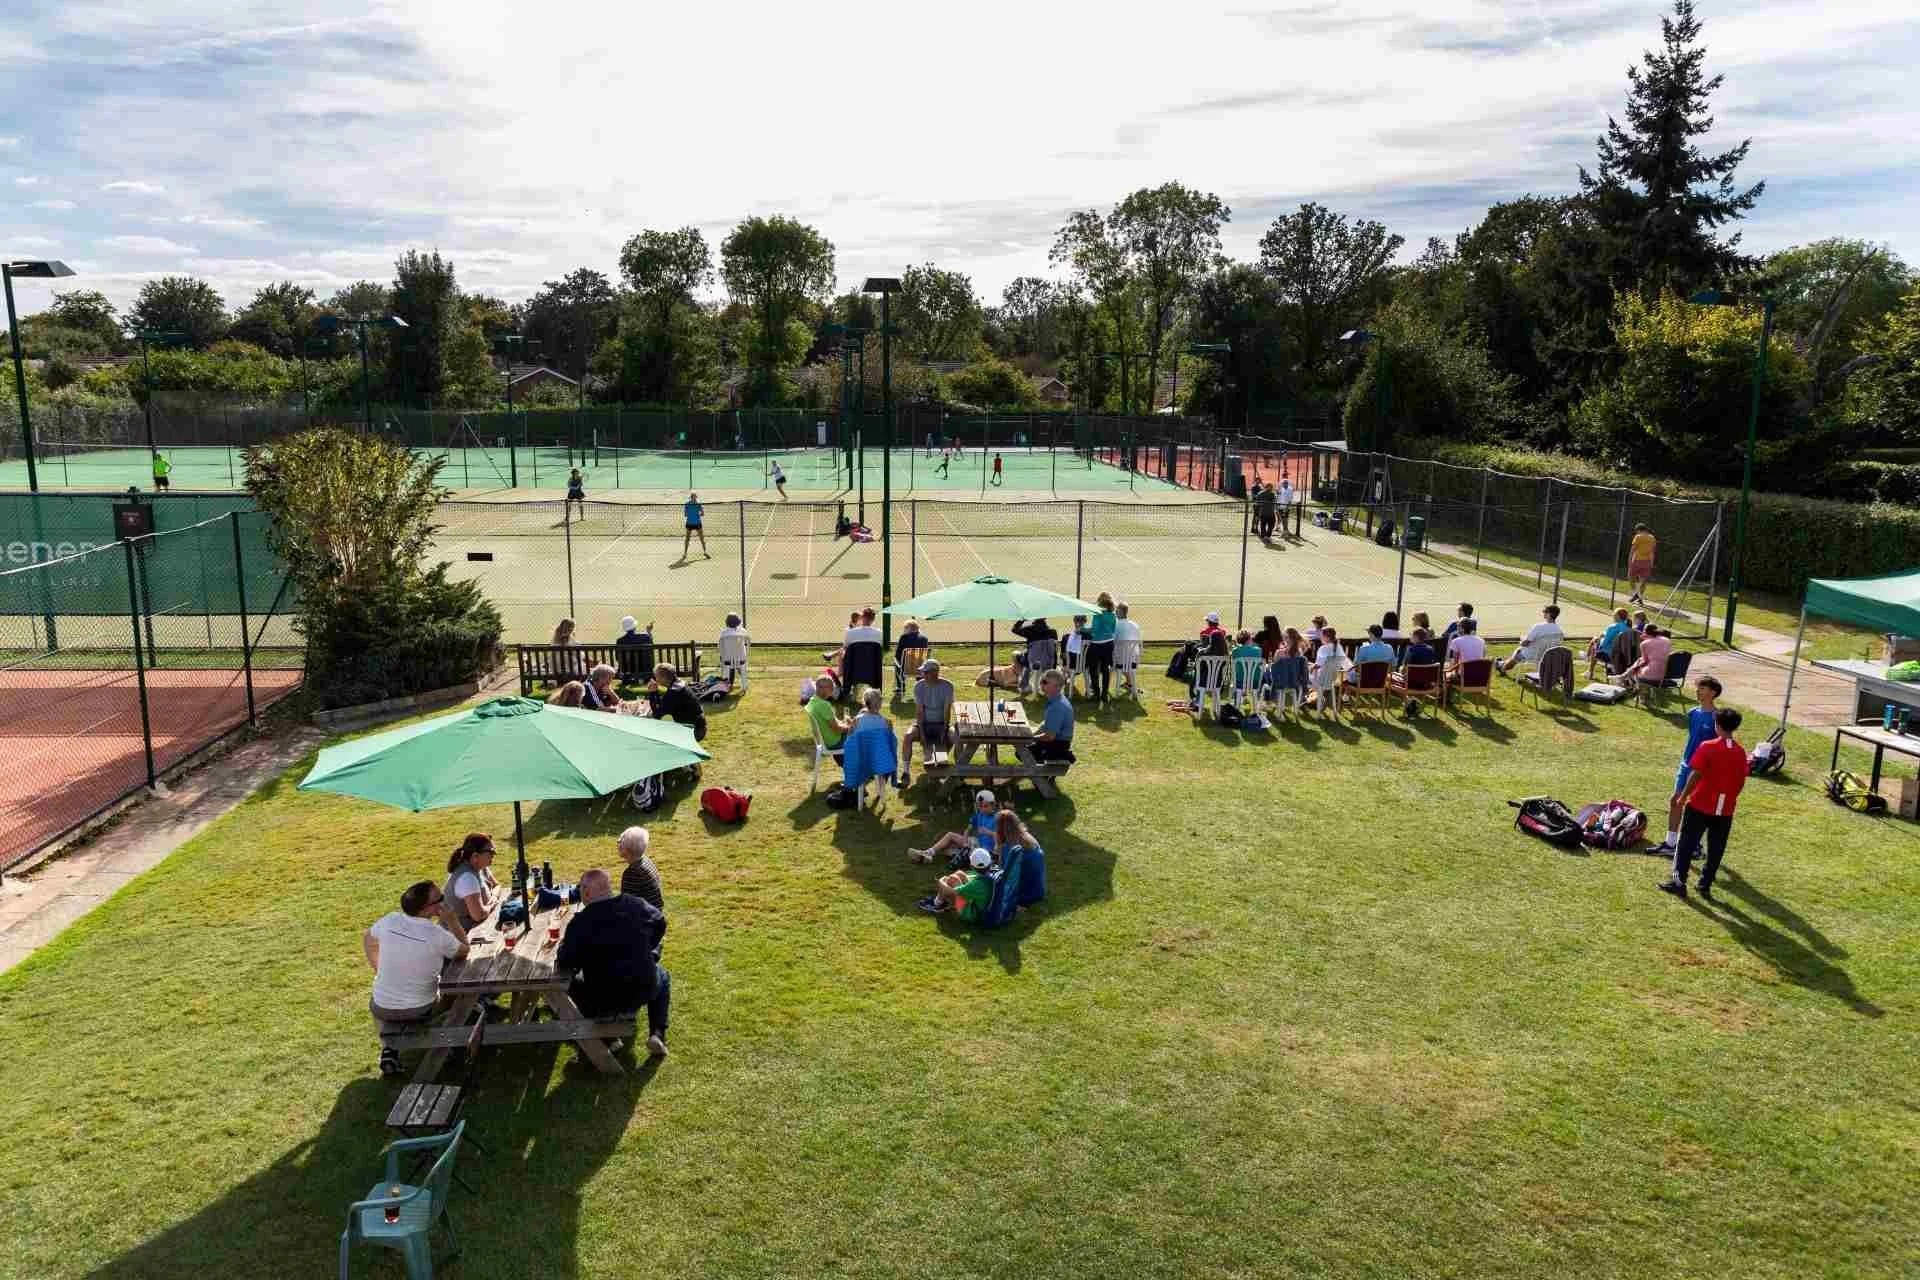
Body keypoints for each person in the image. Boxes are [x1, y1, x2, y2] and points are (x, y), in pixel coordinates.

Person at [557, 868, 670, 1058]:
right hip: (643, 987)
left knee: (570, 983)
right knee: (663, 976)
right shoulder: (635, 904)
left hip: (603, 996)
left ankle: (607, 1037)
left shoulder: (580, 923)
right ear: (609, 888)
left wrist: (562, 947)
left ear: (586, 892)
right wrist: (646, 947)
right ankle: (657, 1034)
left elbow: (566, 962)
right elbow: (660, 923)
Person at [365, 879, 470, 1074]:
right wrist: (453, 921)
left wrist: (378, 970)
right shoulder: (438, 935)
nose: (444, 902)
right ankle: (449, 1043)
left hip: (381, 1007)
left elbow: (368, 938)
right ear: (426, 909)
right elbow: (464, 950)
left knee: (394, 1001)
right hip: (420, 1009)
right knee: (453, 993)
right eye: (440, 899)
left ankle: (390, 1048)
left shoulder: (390, 920)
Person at [1658, 707, 1748, 902]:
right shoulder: (1741, 752)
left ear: (1717, 725)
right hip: (1725, 809)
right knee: (1716, 848)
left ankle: (1679, 882)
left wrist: (1683, 797)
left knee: (1685, 845)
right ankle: (1705, 884)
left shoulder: (1708, 746)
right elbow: (1741, 780)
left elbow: (1696, 774)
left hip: (1700, 804)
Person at [1652, 676, 1724, 853]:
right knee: (1675, 800)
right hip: (1686, 765)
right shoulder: (1693, 713)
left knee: (1697, 808)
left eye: (1702, 688)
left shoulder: (1717, 718)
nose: (1698, 691)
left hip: (1702, 769)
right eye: (1698, 688)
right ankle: (1670, 843)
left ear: (1713, 693)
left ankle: (1694, 845)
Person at [898, 657, 956, 785]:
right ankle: (906, 772)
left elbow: (947, 712)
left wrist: (944, 731)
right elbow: (919, 712)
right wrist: (922, 734)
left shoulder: (948, 686)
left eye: (925, 672)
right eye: (922, 672)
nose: (922, 675)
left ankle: (957, 771)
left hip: (942, 724)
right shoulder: (919, 686)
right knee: (908, 736)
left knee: (956, 737)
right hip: (923, 724)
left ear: (935, 673)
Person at [907, 788, 998, 864]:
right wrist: (965, 841)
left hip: (987, 849)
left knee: (946, 847)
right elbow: (968, 830)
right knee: (949, 837)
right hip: (976, 842)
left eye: (985, 806)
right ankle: (928, 853)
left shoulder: (999, 817)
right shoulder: (979, 815)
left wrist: (988, 832)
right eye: (980, 806)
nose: (982, 809)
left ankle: (961, 856)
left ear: (993, 804)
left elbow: (1002, 837)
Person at [442, 833, 499, 933]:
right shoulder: (467, 878)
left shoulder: (480, 867)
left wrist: (493, 896)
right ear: (475, 856)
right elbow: (479, 915)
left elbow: (497, 886)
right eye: (491, 851)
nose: (494, 854)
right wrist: (492, 904)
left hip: (477, 928)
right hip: (460, 938)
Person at [916, 847, 994, 918]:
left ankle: (937, 904)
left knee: (952, 880)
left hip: (971, 914)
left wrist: (941, 881)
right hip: (979, 902)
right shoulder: (989, 874)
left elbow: (950, 891)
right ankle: (940, 901)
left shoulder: (976, 884)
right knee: (959, 873)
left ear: (972, 866)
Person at [647, 664, 707, 743]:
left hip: (694, 731)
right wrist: (655, 693)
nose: (655, 679)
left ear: (663, 678)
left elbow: (657, 715)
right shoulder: (679, 684)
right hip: (698, 726)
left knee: (655, 733)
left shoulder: (675, 692)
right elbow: (663, 705)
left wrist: (652, 693)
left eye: (656, 677)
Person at [1499, 604, 1565, 675]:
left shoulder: (1538, 627)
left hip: (1530, 655)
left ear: (1550, 614)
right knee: (1519, 652)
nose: (1543, 613)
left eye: (1545, 611)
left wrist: (1522, 640)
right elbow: (1557, 646)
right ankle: (1501, 663)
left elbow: (1525, 643)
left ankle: (1502, 667)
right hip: (1548, 657)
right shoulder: (1560, 631)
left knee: (1518, 653)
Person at [615, 825, 664, 911]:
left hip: (644, 918)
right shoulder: (645, 860)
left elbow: (626, 904)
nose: (618, 841)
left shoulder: (632, 873)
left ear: (628, 850)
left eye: (621, 841)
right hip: (654, 912)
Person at [1032, 669, 1075, 762]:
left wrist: (1030, 738)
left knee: (1023, 751)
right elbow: (1046, 723)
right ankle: (1042, 775)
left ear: (1057, 687)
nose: (1041, 684)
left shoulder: (1057, 706)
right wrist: (1033, 733)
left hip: (1057, 747)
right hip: (1058, 744)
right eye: (1042, 681)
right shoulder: (1057, 699)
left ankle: (1042, 775)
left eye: (1045, 682)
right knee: (1024, 749)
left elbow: (1049, 737)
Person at [1618, 624, 1673, 691]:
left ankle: (1626, 683)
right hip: (1664, 675)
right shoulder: (1667, 640)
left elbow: (1644, 662)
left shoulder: (1644, 643)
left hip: (1649, 676)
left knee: (1634, 670)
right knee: (1639, 660)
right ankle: (1624, 676)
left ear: (1645, 632)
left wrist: (1632, 669)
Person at [807, 674, 852, 754]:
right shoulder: (824, 705)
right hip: (834, 743)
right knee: (863, 735)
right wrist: (850, 728)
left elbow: (833, 722)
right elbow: (836, 729)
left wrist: (843, 723)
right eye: (832, 688)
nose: (833, 690)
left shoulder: (812, 701)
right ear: (826, 689)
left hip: (823, 741)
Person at [1086, 592, 1118, 702]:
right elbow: (1113, 630)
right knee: (1106, 669)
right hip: (1109, 644)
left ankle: (1096, 692)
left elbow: (1093, 629)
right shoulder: (1113, 615)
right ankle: (1104, 694)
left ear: (1099, 602)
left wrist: (1082, 629)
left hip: (1096, 645)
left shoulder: (1097, 614)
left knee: (1093, 669)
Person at [1587, 607, 1634, 679]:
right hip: (1624, 657)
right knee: (1596, 642)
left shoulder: (1612, 627)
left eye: (1614, 614)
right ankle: (1588, 660)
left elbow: (1604, 644)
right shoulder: (1629, 629)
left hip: (1610, 656)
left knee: (1595, 644)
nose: (1613, 616)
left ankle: (1590, 671)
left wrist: (1599, 639)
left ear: (1617, 616)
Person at [1310, 626, 1347, 715]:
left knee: (1302, 676)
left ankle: (1306, 700)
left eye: (1321, 635)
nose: (1320, 637)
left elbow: (1317, 665)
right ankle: (1318, 699)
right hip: (1332, 680)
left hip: (1320, 680)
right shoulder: (1339, 648)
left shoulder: (1323, 648)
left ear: (1326, 637)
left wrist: (1309, 666)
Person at [1114, 601, 1142, 696]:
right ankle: (1130, 683)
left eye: (1116, 610)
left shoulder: (1116, 625)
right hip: (1134, 658)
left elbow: (1112, 641)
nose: (1115, 612)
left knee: (1104, 660)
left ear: (1120, 611)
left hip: (1119, 659)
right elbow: (1138, 643)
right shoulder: (1135, 625)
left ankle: (1095, 687)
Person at [718, 613, 750, 689]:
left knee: (730, 663)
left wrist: (722, 657)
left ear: (727, 622)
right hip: (741, 658)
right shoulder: (743, 631)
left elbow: (721, 647)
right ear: (738, 622)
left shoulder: (724, 633)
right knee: (738, 662)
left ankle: (729, 682)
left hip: (727, 659)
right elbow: (747, 642)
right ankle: (744, 682)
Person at [1628, 523, 1657, 604]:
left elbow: (1632, 550)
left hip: (1636, 560)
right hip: (1647, 562)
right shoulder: (1652, 538)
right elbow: (1652, 552)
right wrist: (1651, 563)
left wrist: (1629, 561)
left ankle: (1635, 593)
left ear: (1638, 530)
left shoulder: (1638, 537)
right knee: (1643, 581)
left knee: (1630, 577)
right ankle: (1640, 598)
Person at [681, 492, 709, 561]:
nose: (694, 498)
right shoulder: (697, 504)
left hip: (694, 523)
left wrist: (693, 514)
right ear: (695, 497)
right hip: (693, 523)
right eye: (694, 497)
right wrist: (697, 514)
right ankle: (685, 553)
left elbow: (686, 514)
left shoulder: (689, 504)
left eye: (694, 497)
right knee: (693, 538)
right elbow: (702, 514)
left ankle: (704, 552)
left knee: (700, 538)